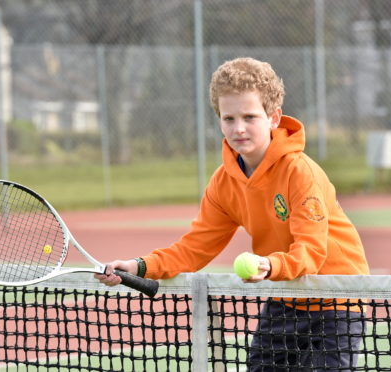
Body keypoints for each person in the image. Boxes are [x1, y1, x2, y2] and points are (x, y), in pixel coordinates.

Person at [95, 57, 370, 371]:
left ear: (274, 118)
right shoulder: (223, 183)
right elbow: (194, 249)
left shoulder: (300, 172)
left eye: (250, 117)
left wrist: (269, 265)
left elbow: (311, 253)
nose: (238, 128)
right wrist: (138, 266)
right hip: (286, 295)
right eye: (229, 118)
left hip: (338, 299)